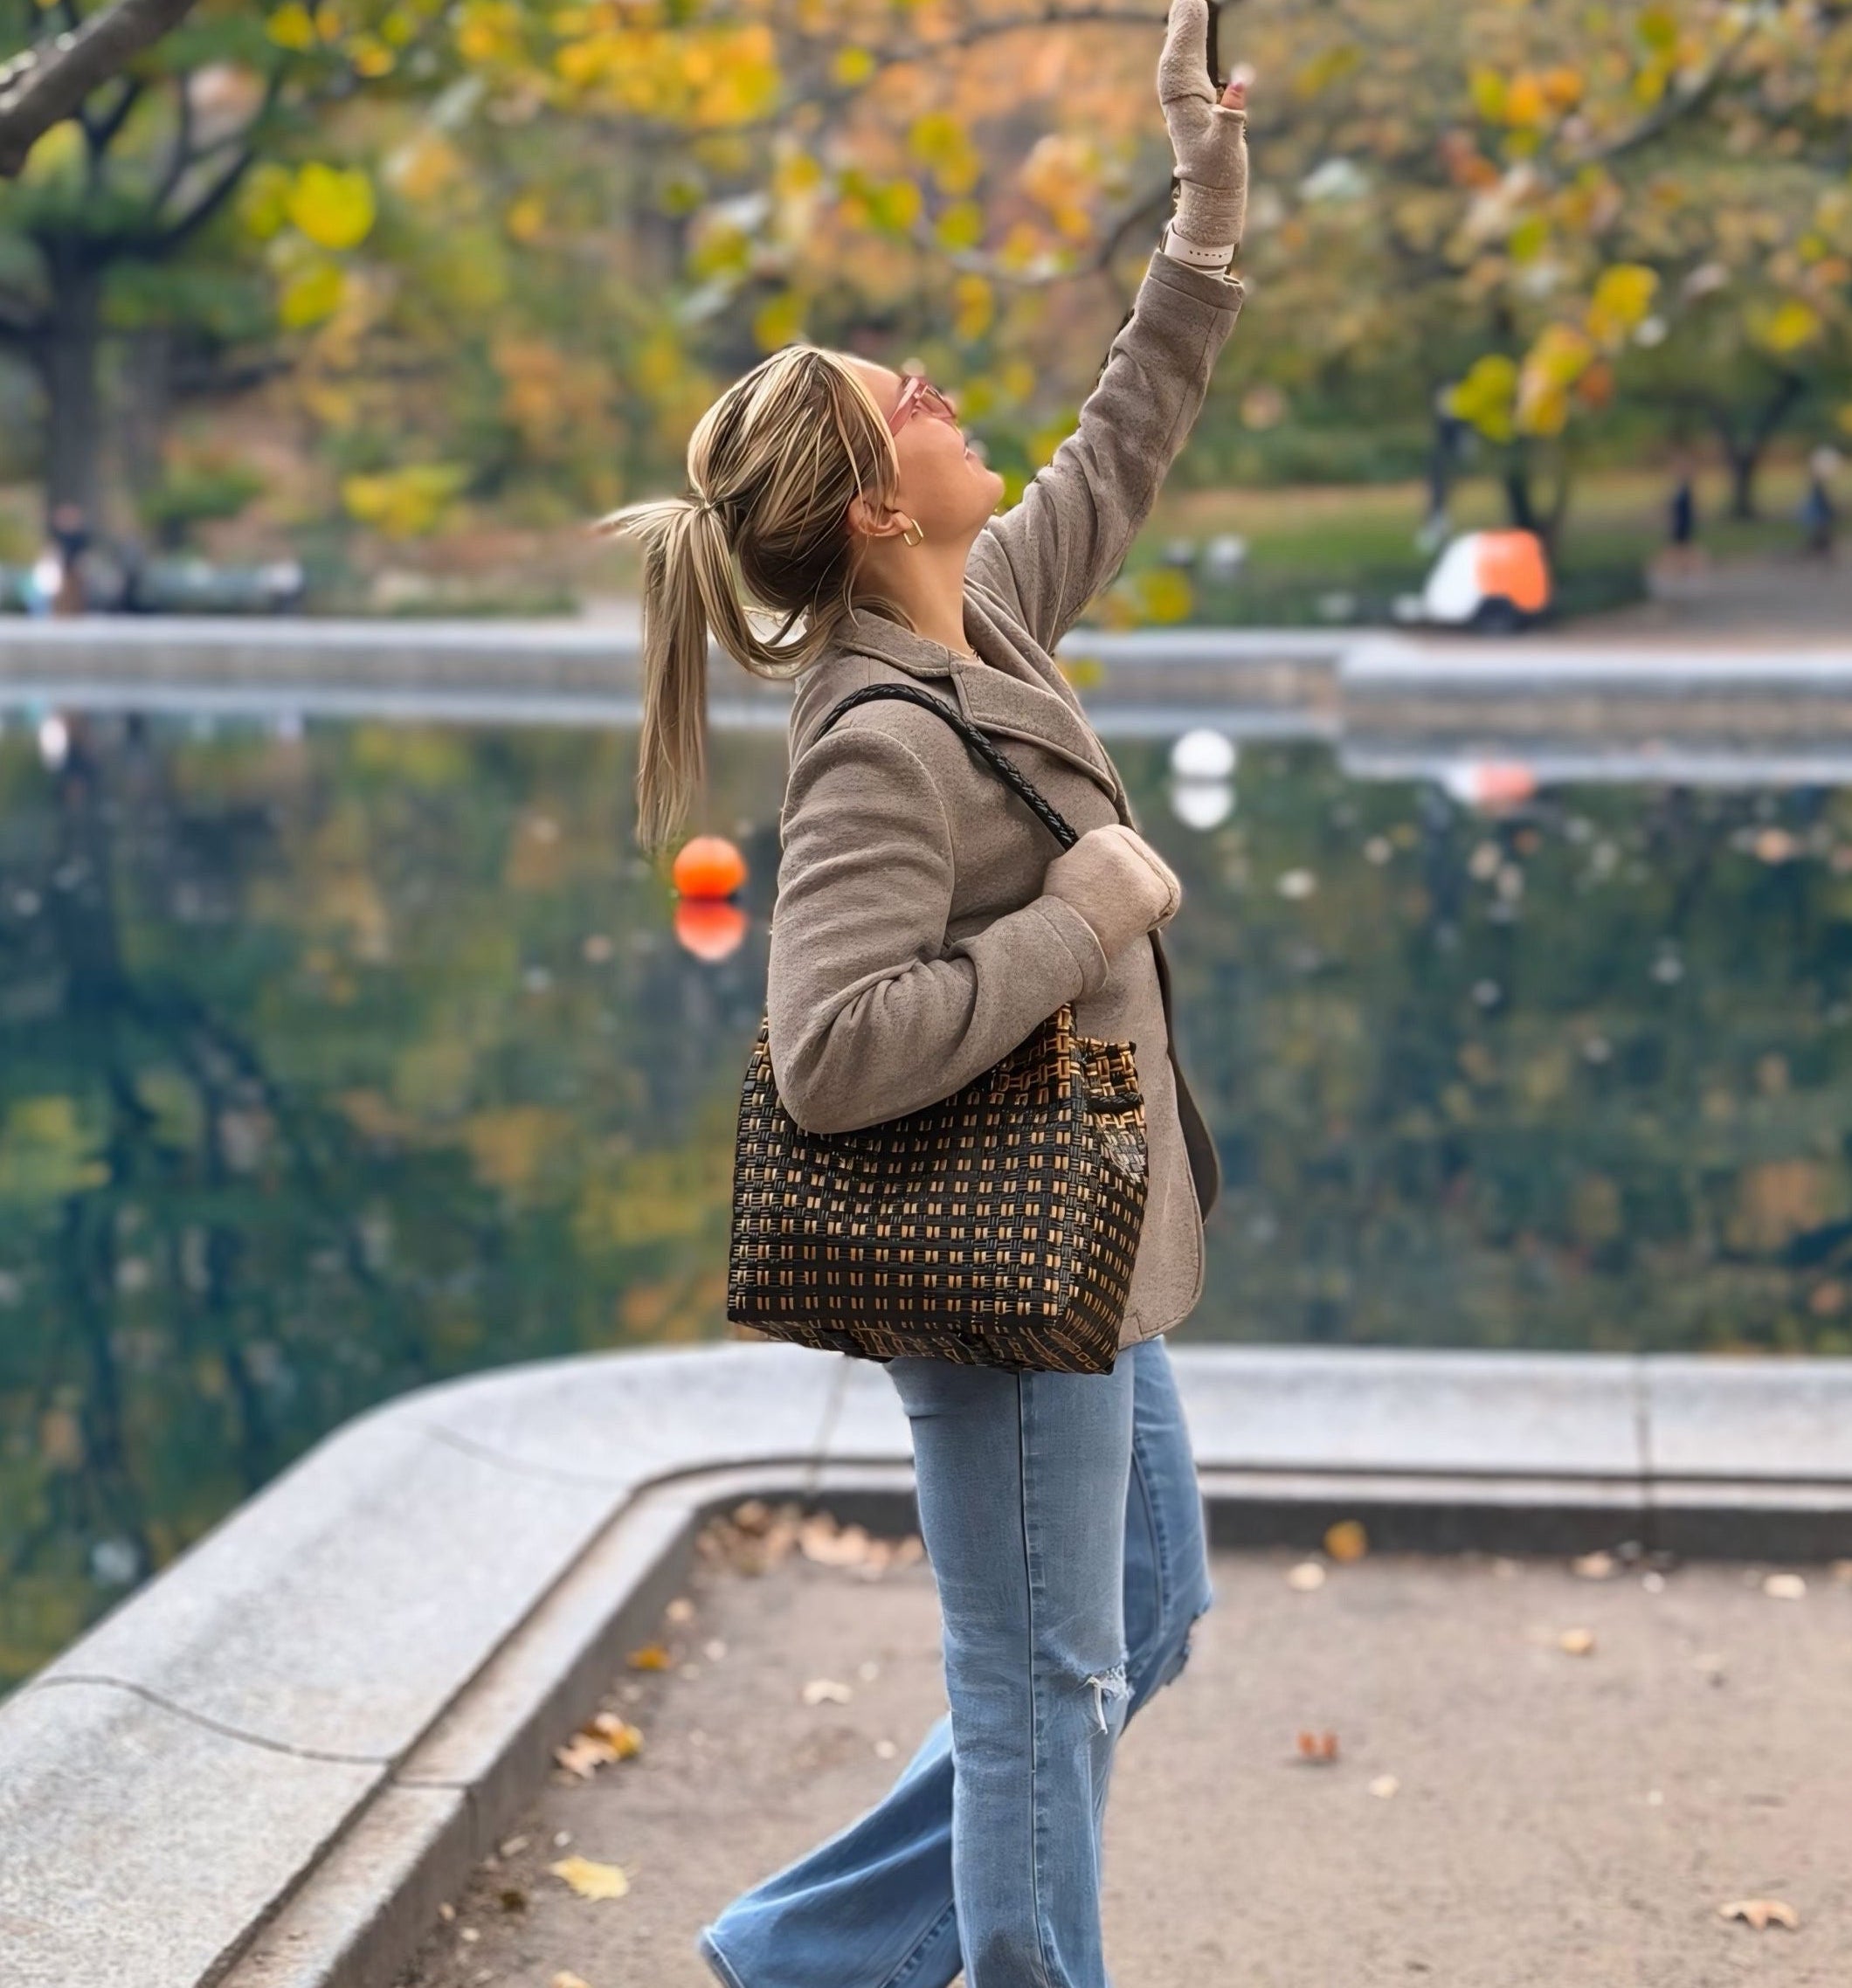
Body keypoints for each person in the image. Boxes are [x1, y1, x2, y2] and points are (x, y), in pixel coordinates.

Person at [609, 6, 1248, 1982]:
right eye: (908, 405)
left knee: (1139, 1615)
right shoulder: (878, 739)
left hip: (1088, 1244)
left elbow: (1124, 433)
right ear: (877, 512)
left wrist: (1203, 203)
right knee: (1040, 1674)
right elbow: (827, 1054)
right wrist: (1080, 913)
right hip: (1000, 1260)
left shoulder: (992, 627)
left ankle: (801, 1954)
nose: (945, 396)